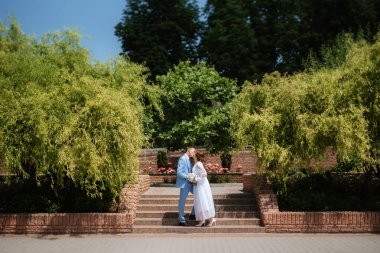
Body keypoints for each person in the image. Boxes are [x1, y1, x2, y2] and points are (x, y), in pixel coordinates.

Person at [192, 150, 216, 227]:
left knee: (203, 200)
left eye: (194, 155)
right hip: (199, 185)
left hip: (201, 185)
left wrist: (196, 179)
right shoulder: (197, 163)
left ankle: (211, 219)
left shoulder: (198, 163)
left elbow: (204, 173)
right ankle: (202, 220)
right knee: (200, 201)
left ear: (196, 156)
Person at [176, 147, 196, 226]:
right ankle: (181, 220)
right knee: (182, 201)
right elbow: (179, 173)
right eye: (193, 152)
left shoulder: (188, 159)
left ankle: (193, 214)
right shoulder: (182, 159)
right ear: (189, 150)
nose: (194, 154)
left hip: (190, 183)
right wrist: (188, 177)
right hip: (184, 184)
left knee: (199, 196)